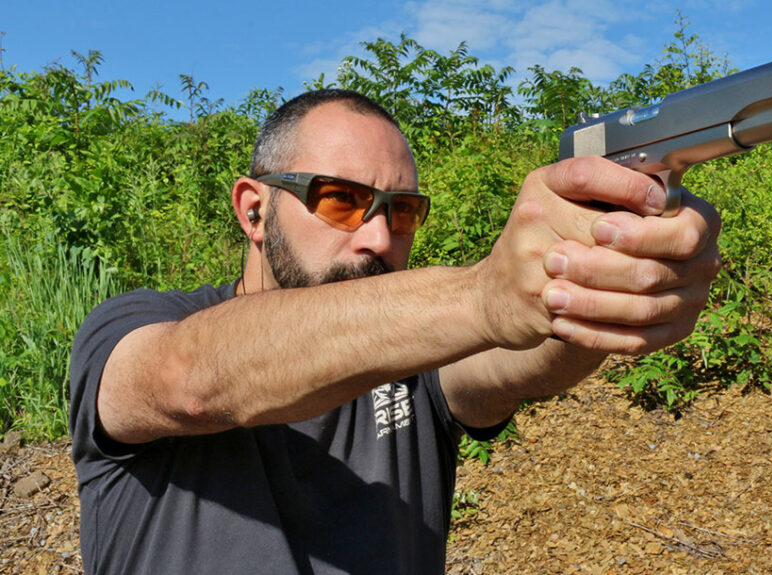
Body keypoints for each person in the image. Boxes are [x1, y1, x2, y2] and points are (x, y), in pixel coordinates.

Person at [69, 89, 721, 574]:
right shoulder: (139, 325)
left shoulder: (418, 364)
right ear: (254, 209)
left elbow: (522, 361)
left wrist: (602, 276)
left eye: (401, 211)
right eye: (341, 200)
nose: (379, 237)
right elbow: (191, 378)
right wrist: (482, 293)